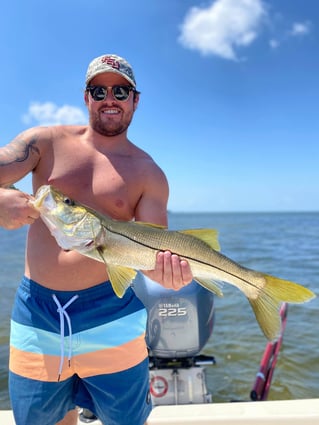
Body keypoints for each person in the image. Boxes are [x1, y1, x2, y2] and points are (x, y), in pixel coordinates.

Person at [0, 54, 193, 425]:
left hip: (111, 314)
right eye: (98, 89)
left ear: (136, 99)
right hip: (36, 315)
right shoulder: (43, 143)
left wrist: (171, 275)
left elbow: (154, 257)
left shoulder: (149, 173)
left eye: (120, 90)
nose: (110, 98)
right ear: (86, 96)